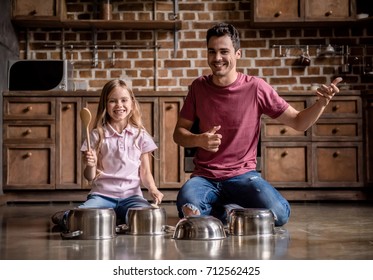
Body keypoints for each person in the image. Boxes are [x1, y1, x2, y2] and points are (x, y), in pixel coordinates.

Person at [173, 22, 342, 227]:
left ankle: (224, 211)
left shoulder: (256, 88)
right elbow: (179, 134)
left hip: (243, 176)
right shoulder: (198, 87)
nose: (217, 58)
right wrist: (198, 139)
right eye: (212, 52)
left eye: (224, 51)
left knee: (279, 214)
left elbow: (299, 122)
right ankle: (229, 211)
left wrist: (321, 104)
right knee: (187, 204)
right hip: (204, 178)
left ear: (238, 54)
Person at [52, 79, 164, 229]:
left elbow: (145, 172)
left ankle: (113, 217)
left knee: (148, 218)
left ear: (132, 103)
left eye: (124, 100)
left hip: (132, 197)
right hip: (102, 196)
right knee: (82, 216)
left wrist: (153, 189)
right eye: (113, 101)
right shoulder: (96, 135)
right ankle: (68, 217)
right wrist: (90, 165)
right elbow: (89, 176)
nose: (119, 105)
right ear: (105, 105)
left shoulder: (140, 135)